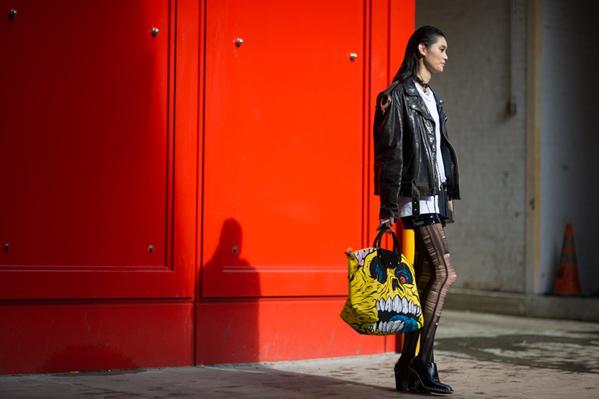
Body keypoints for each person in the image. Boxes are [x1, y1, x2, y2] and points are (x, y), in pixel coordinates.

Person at [373, 26, 460, 394]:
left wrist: (448, 191)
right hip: (416, 197)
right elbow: (390, 154)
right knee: (444, 274)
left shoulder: (431, 97)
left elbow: (438, 151)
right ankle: (422, 363)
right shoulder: (397, 96)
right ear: (421, 49)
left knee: (427, 278)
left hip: (434, 196)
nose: (445, 55)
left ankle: (408, 367)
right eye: (440, 48)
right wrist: (388, 207)